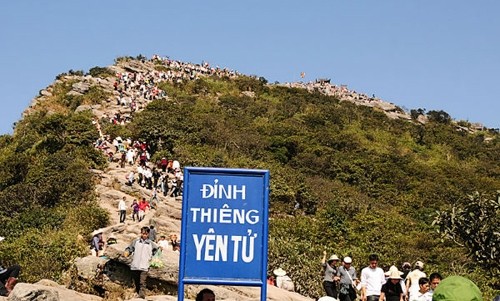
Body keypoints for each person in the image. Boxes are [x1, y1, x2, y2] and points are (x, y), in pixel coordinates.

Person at [124, 226, 159, 299]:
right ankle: (137, 293)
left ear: (148, 234)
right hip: (135, 265)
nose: (144, 235)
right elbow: (130, 248)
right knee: (136, 281)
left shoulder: (151, 244)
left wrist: (155, 256)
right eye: (143, 233)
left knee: (142, 282)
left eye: (146, 234)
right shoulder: (136, 241)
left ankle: (142, 295)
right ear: (141, 233)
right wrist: (127, 252)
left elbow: (156, 251)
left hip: (145, 266)